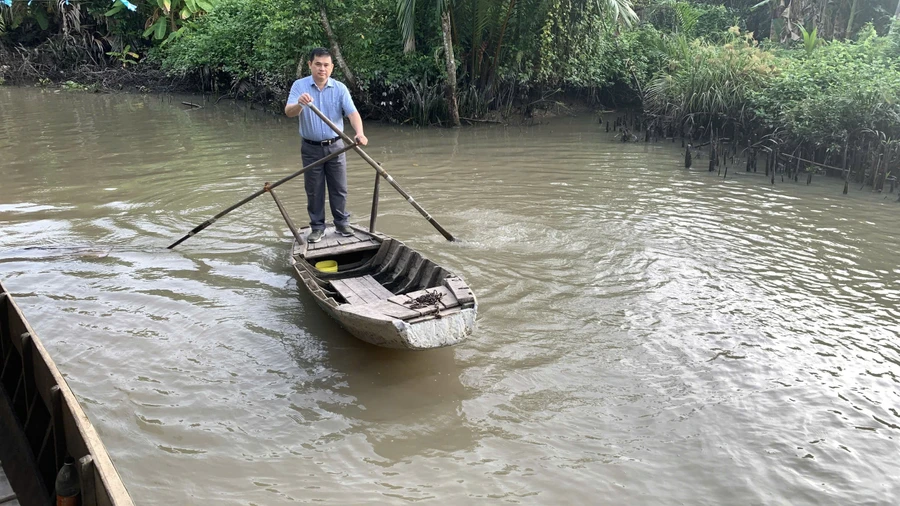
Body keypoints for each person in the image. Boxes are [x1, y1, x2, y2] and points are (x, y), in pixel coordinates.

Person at [285, 47, 368, 243]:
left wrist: (359, 133)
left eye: (326, 65)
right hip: (311, 147)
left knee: (339, 187)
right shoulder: (300, 86)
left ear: (332, 67)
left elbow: (352, 113)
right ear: (310, 65)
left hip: (337, 146)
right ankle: (317, 227)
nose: (322, 69)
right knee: (314, 189)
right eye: (318, 64)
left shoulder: (339, 88)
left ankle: (341, 223)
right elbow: (289, 112)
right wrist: (300, 104)